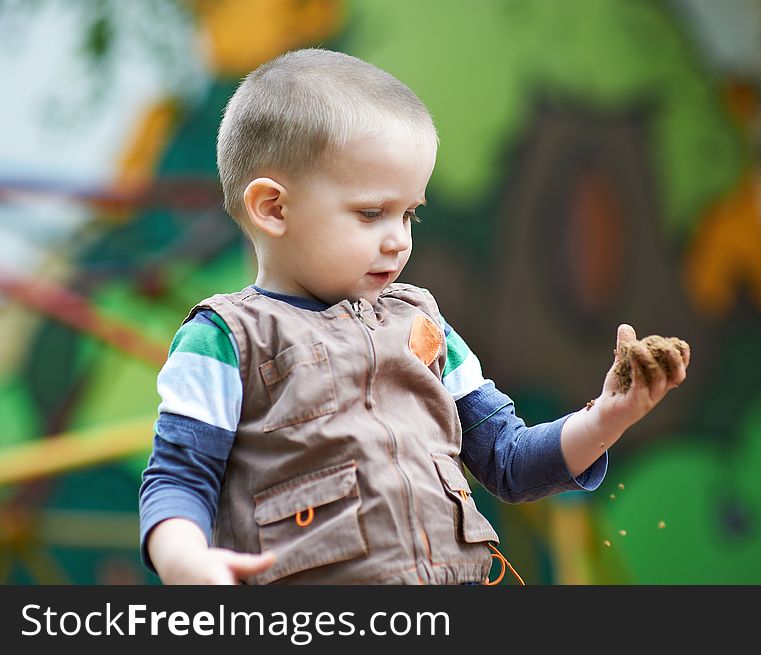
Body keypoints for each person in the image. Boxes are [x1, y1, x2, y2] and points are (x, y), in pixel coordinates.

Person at [138, 48, 690, 585]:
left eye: (410, 215)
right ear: (274, 208)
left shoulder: (424, 329)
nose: (398, 240)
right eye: (372, 213)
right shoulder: (227, 340)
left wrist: (609, 417)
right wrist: (185, 560)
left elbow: (512, 461)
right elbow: (179, 475)